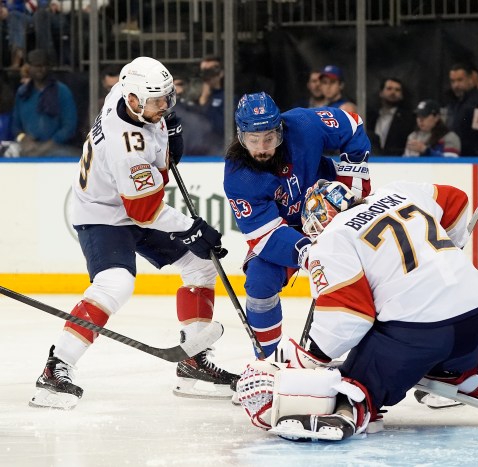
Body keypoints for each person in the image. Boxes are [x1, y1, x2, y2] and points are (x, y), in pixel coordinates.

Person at [237, 179, 478, 441]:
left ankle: (347, 412)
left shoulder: (332, 237)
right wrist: (443, 253)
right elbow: (456, 202)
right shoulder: (400, 192)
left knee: (355, 381)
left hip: (421, 333)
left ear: (319, 220)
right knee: (438, 357)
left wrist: (302, 363)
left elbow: (347, 317)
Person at [30, 56, 236, 409]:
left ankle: (193, 361)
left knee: (200, 266)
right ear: (134, 100)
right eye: (157, 102)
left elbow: (149, 186)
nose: (164, 106)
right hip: (102, 214)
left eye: (167, 99)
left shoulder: (124, 95)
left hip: (129, 202)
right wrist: (190, 228)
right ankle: (56, 367)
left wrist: (167, 132)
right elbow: (144, 210)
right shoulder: (127, 147)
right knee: (116, 284)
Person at [223, 92, 371, 358]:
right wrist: (310, 253)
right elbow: (266, 235)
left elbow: (352, 124)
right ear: (240, 136)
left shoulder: (304, 124)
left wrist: (353, 187)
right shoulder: (239, 176)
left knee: (373, 270)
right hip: (286, 230)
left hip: (333, 209)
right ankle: (268, 363)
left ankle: (376, 352)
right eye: (253, 140)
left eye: (269, 138)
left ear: (280, 129)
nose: (262, 148)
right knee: (259, 280)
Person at [11, 48, 79, 156]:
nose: (40, 69)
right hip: (29, 148)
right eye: (36, 65)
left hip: (57, 148)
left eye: (44, 65)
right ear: (29, 67)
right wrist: (23, 138)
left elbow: (69, 127)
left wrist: (47, 145)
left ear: (49, 67)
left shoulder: (62, 91)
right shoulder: (23, 92)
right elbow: (15, 126)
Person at [365, 77, 414, 156]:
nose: (393, 92)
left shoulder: (409, 119)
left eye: (397, 90)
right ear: (381, 93)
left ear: (402, 95)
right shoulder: (371, 116)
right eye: (389, 89)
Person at [444, 63, 478, 156]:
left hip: (473, 158)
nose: (456, 85)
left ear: (470, 79)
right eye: (453, 81)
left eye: (460, 80)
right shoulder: (453, 102)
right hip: (455, 156)